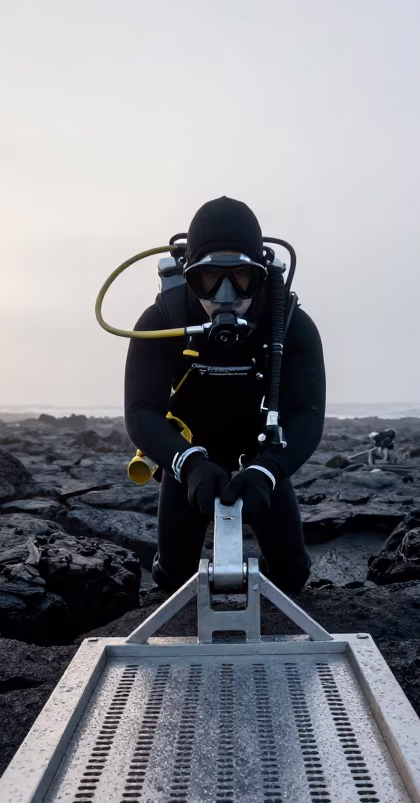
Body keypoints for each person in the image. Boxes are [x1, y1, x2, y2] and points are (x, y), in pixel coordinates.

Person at [124, 196, 326, 592]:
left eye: (242, 277)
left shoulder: (289, 325)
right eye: (210, 278)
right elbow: (141, 411)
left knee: (292, 576)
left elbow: (307, 413)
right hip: (190, 450)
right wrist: (187, 463)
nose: (226, 293)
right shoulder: (163, 320)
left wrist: (268, 471)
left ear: (262, 274)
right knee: (172, 579)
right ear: (189, 275)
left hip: (262, 449)